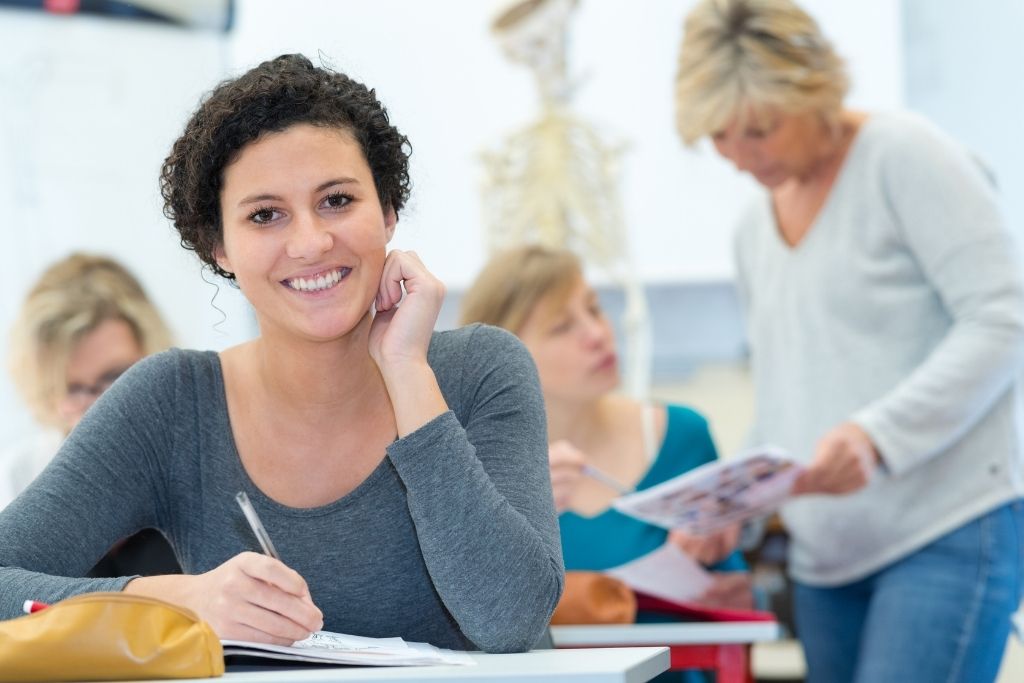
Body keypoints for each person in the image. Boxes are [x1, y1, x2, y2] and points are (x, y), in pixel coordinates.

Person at [0, 54, 563, 653]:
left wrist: (407, 372)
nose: (310, 242)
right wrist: (174, 600)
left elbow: (511, 620)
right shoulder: (170, 405)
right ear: (219, 245)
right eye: (265, 215)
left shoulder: (482, 371)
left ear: (389, 211)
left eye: (337, 201)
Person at [674, 1, 1024, 681]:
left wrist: (875, 435)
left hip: (946, 532)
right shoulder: (753, 230)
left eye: (761, 130)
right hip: (826, 562)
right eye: (721, 136)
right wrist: (736, 512)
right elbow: (790, 400)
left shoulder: (903, 155)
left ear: (815, 88)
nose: (744, 158)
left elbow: (1003, 315)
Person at [461, 246, 752, 682]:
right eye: (562, 327)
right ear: (501, 360)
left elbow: (738, 599)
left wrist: (733, 590)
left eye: (595, 310)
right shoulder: (472, 468)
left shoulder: (683, 437)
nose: (597, 333)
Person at [2, 253, 181, 577]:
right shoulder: (19, 480)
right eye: (73, 389)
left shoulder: (197, 464)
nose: (98, 409)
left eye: (115, 378)